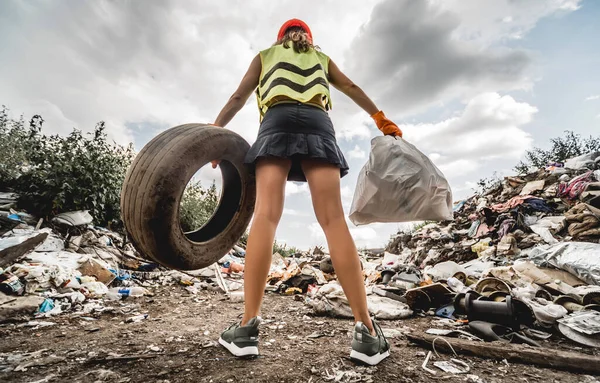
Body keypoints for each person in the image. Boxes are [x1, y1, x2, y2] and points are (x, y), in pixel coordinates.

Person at [212, 19, 402, 366]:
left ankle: (246, 328)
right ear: (308, 38)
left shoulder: (265, 55)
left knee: (266, 217)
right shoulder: (321, 57)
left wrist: (212, 133)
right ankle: (366, 332)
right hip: (318, 123)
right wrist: (380, 118)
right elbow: (352, 86)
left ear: (280, 37)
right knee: (332, 221)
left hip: (276, 121)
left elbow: (238, 96)